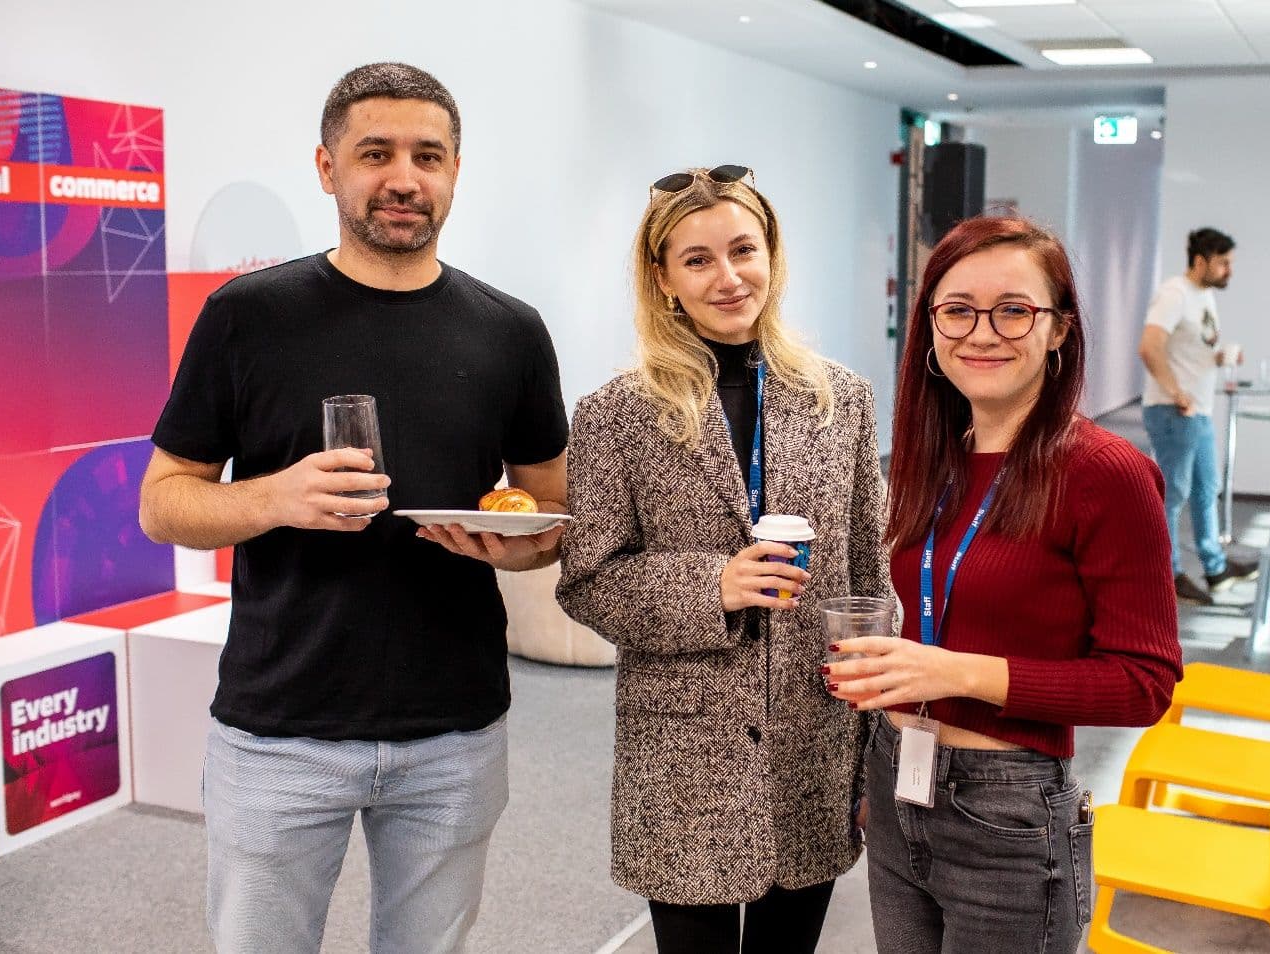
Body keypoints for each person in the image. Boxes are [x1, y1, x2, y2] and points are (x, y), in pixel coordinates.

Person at [138, 63, 569, 954]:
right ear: (328, 166)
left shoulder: (511, 330)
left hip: (455, 729)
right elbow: (162, 503)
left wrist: (512, 548)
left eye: (428, 155)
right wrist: (274, 497)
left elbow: (551, 512)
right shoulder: (246, 315)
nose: (404, 178)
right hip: (278, 729)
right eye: (376, 152)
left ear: (456, 171)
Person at [555, 165, 890, 954]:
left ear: (772, 256)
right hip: (683, 750)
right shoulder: (617, 415)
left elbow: (874, 579)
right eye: (698, 259)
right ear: (663, 278)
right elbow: (587, 581)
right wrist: (716, 584)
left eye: (744, 250)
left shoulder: (840, 400)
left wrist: (877, 742)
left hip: (816, 734)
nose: (729, 276)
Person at [825, 216, 1183, 954]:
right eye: (956, 310)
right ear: (928, 328)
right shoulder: (938, 458)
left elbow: (1144, 684)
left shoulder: (1106, 473)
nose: (981, 333)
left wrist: (951, 671)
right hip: (898, 779)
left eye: (1013, 309)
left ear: (1058, 329)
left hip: (1009, 808)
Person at [1138, 227, 1257, 605]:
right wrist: (1176, 391)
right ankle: (1168, 575)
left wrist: (1220, 356)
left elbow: (1193, 346)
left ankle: (1215, 568)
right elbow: (1149, 346)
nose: (1229, 271)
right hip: (1173, 410)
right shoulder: (1175, 293)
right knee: (1172, 495)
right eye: (1224, 263)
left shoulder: (1204, 296)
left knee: (1207, 490)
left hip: (1198, 412)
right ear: (1201, 260)